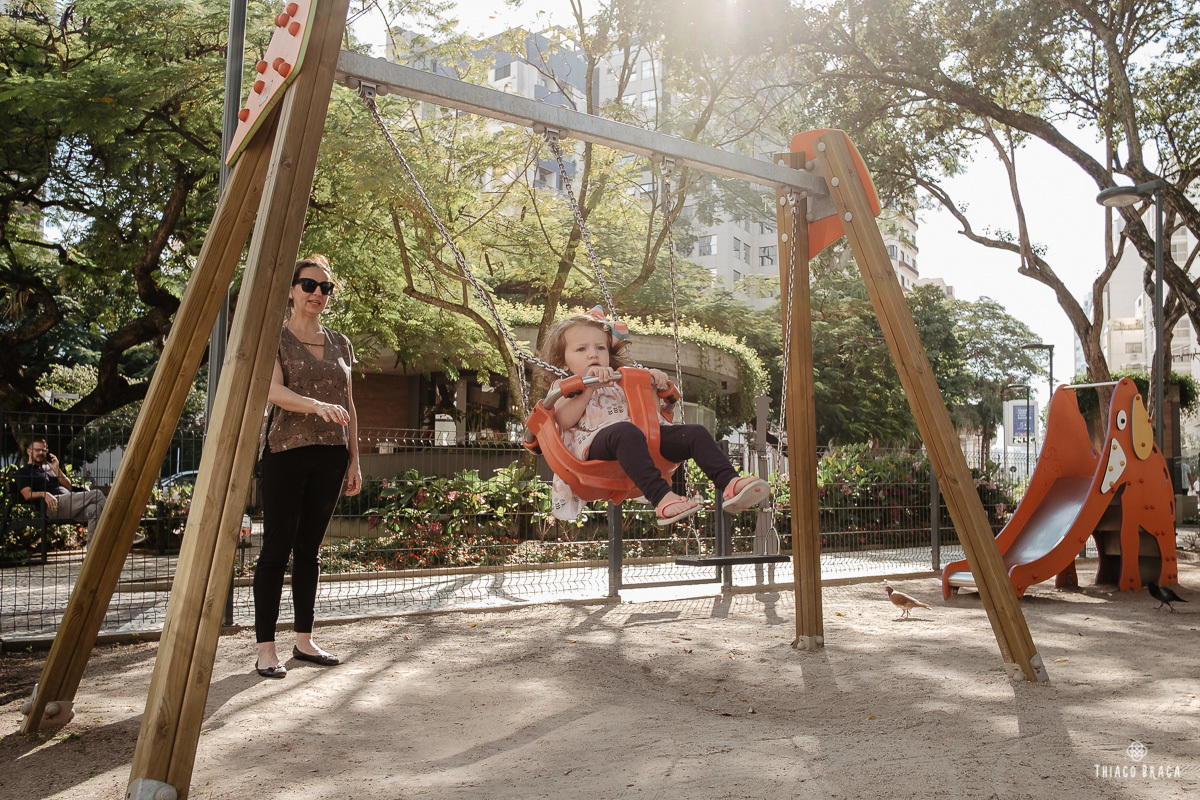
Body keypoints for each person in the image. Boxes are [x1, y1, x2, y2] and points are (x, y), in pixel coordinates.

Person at [540, 308, 769, 525]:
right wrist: (588, 387)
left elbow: (648, 415)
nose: (593, 354)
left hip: (638, 439)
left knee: (694, 433)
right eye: (581, 350)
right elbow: (563, 420)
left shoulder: (621, 381)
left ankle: (730, 483)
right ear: (563, 361)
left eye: (600, 348)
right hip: (593, 449)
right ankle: (662, 499)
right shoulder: (565, 386)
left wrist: (652, 384)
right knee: (625, 432)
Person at [253, 254, 362, 679]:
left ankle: (303, 641)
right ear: (292, 289)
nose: (318, 293)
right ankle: (266, 648)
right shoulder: (274, 339)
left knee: (310, 550)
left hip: (331, 455)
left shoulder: (340, 343)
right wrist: (316, 406)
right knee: (275, 549)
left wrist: (354, 459)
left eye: (325, 288)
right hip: (285, 452)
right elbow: (272, 391)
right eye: (309, 285)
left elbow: (351, 404)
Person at [15, 437, 107, 543]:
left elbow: (68, 486)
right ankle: (118, 525)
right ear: (28, 451)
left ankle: (92, 552)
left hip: (70, 503)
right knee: (97, 494)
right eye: (37, 450)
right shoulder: (23, 471)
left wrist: (56, 469)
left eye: (44, 450)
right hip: (54, 506)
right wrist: (45, 494)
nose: (41, 452)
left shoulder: (49, 468)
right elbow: (27, 494)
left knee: (94, 509)